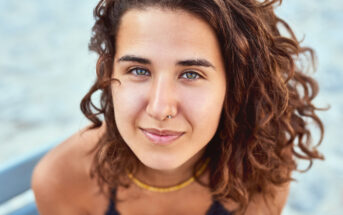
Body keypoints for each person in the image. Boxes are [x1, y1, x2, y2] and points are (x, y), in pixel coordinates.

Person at [32, 0, 325, 214]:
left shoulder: (262, 160)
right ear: (109, 73)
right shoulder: (62, 178)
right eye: (138, 70)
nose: (160, 109)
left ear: (235, 85)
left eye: (191, 74)